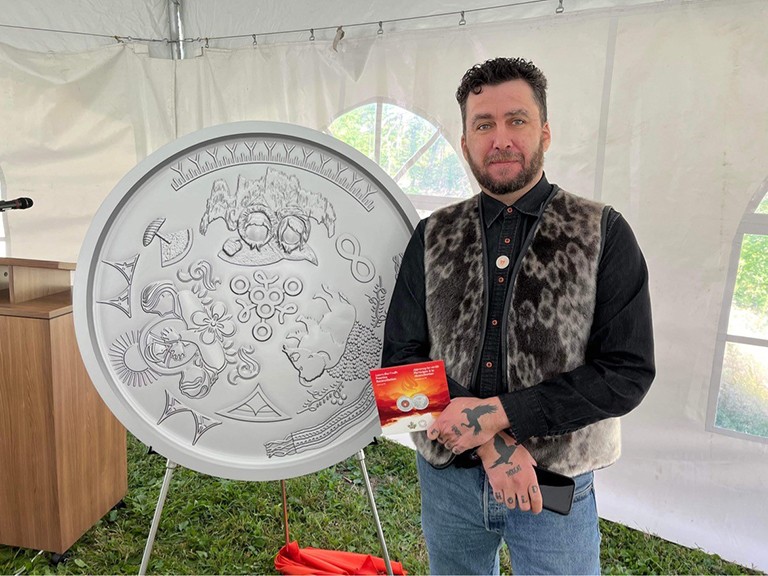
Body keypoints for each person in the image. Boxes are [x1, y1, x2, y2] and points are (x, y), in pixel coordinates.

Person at [381, 57, 655, 575]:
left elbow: (627, 373)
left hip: (553, 487)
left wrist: (499, 416)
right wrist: (492, 445)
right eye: (483, 125)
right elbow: (399, 368)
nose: (500, 138)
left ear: (545, 132)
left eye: (517, 120)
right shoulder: (432, 235)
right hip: (448, 483)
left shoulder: (602, 232)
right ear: (465, 143)